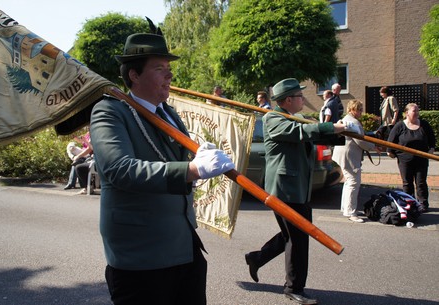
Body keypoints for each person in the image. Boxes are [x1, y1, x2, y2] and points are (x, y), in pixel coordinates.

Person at [89, 32, 234, 305]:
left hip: (185, 248)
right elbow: (119, 169)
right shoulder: (110, 111)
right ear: (134, 75)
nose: (169, 76)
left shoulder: (168, 112)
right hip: (141, 256)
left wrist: (200, 152)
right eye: (159, 69)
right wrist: (192, 170)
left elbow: (175, 155)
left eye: (169, 69)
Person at [244, 78, 350, 305]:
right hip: (284, 190)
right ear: (289, 100)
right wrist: (330, 126)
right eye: (300, 96)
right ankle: (294, 288)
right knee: (299, 239)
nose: (304, 99)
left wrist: (347, 132)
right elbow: (298, 132)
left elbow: (315, 133)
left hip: (299, 189)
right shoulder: (273, 118)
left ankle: (256, 258)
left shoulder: (297, 116)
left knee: (292, 236)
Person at [332, 100, 381, 222]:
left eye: (361, 109)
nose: (361, 112)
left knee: (349, 182)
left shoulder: (345, 119)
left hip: (343, 154)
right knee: (353, 182)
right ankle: (350, 212)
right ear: (352, 109)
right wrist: (374, 146)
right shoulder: (354, 122)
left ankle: (346, 208)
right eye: (358, 109)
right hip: (349, 156)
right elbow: (361, 141)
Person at [387, 103, 435, 213]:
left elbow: (432, 139)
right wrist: (390, 152)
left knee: (421, 182)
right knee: (407, 183)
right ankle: (409, 203)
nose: (417, 113)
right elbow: (390, 141)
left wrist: (431, 149)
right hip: (405, 160)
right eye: (414, 111)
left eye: (418, 111)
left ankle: (423, 204)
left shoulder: (424, 124)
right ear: (406, 113)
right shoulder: (400, 126)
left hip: (421, 159)